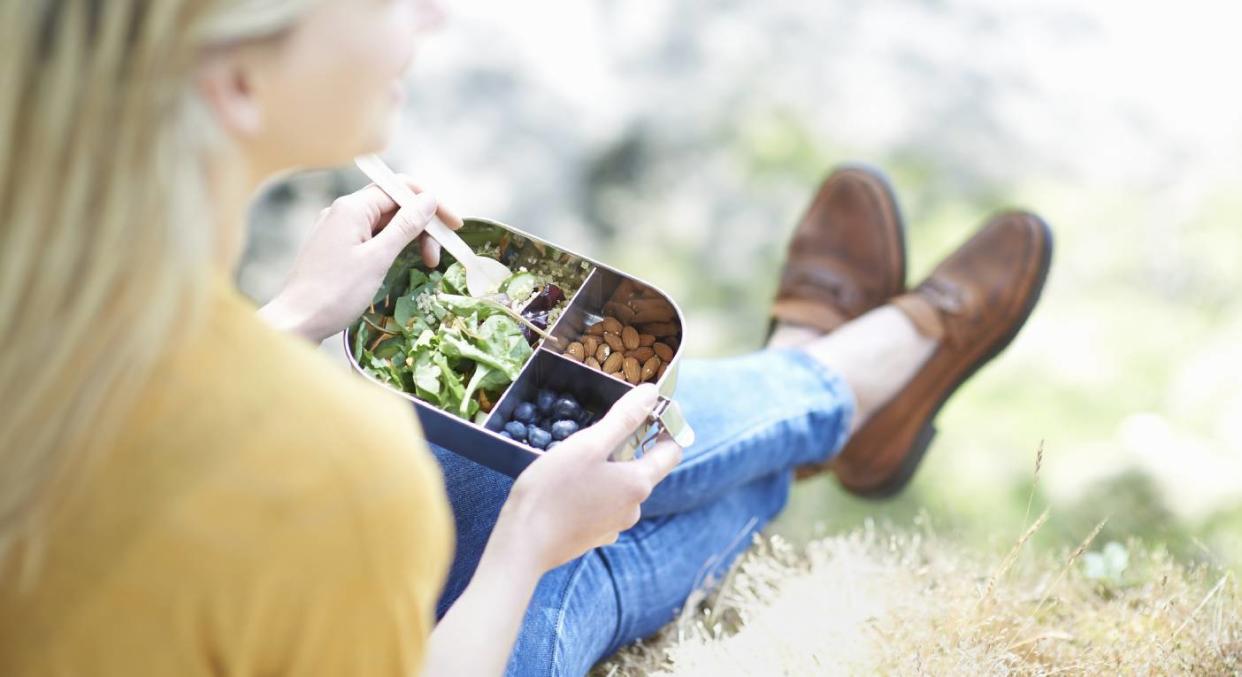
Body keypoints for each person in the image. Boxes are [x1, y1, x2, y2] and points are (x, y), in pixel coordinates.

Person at [0, 2, 1051, 676]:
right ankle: (855, 376)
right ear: (232, 80)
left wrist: (292, 319)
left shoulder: (50, 329)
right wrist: (523, 550)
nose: (438, 14)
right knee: (559, 553)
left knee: (506, 483)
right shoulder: (333, 474)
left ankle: (836, 382)